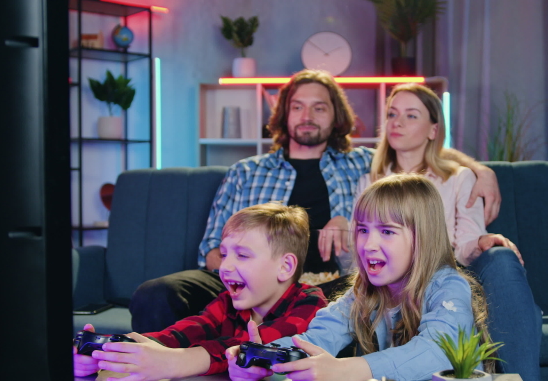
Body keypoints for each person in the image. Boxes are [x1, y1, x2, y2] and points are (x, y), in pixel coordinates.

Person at [129, 69, 501, 333]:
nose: (307, 116)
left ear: (336, 116)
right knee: (157, 294)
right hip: (242, 282)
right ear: (283, 115)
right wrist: (245, 275)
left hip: (323, 285)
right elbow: (211, 251)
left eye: (319, 107)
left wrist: (481, 171)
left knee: (331, 310)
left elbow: (415, 150)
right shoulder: (245, 171)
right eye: (297, 107)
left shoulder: (362, 163)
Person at [357, 83, 543, 381]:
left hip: (446, 273)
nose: (397, 123)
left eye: (410, 115)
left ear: (433, 130)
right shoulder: (370, 180)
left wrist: (483, 241)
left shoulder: (459, 178)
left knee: (500, 256)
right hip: (392, 280)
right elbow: (359, 243)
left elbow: (467, 243)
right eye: (391, 114)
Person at [227, 174, 489, 381]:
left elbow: (437, 350)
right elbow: (316, 340)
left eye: (387, 231)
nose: (368, 244)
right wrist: (264, 357)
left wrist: (345, 371)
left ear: (424, 238)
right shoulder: (364, 294)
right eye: (363, 230)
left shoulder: (449, 287)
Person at [73, 203, 327, 381]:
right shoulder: (228, 303)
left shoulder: (311, 304)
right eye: (224, 254)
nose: (225, 267)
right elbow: (180, 333)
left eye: (243, 255)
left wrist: (174, 363)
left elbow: (256, 348)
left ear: (285, 267)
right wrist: (111, 352)